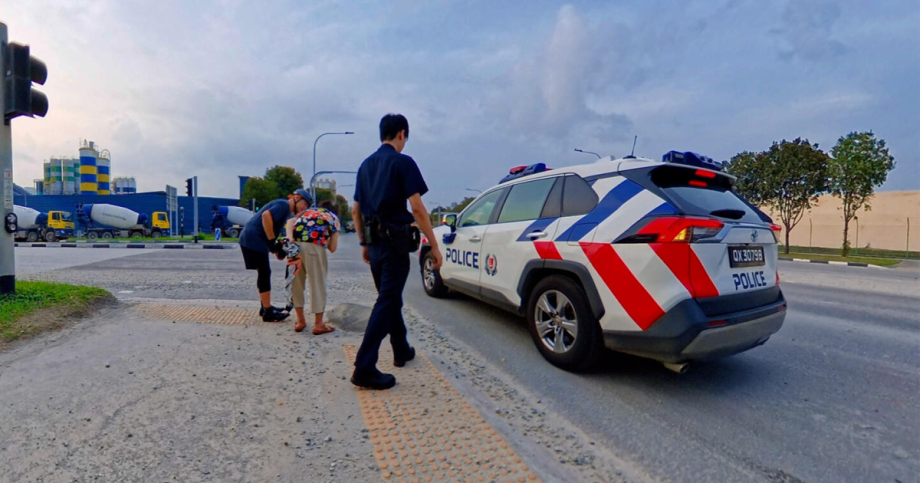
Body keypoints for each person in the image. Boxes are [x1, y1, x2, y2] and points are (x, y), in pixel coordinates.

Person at [351, 113, 443, 390]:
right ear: (402, 133)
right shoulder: (403, 162)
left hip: (374, 246)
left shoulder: (365, 166)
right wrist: (434, 245)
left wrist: (364, 244)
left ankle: (400, 347)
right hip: (394, 244)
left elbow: (356, 211)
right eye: (405, 138)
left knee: (389, 299)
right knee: (388, 301)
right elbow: (417, 208)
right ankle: (364, 367)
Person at [238, 188, 312, 322]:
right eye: (305, 204)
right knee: (265, 272)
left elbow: (269, 223)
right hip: (253, 238)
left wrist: (275, 247)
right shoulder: (284, 205)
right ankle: (267, 311)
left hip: (252, 238)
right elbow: (266, 216)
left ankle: (264, 307)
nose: (304, 208)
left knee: (263, 272)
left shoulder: (284, 209)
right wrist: (272, 242)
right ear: (297, 198)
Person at [285, 199, 339, 335]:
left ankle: (300, 321)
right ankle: (318, 324)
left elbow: (290, 221)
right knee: (317, 284)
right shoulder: (332, 217)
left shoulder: (306, 212)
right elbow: (332, 248)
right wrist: (326, 237)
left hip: (294, 247)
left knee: (296, 284)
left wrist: (290, 238)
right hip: (314, 247)